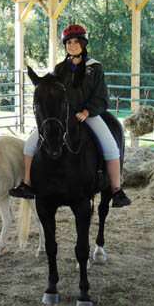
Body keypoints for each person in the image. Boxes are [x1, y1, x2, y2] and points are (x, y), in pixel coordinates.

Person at [9, 24, 132, 208]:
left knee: (111, 147)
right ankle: (27, 184)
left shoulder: (95, 68)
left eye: (76, 42)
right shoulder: (59, 69)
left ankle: (116, 190)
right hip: (62, 117)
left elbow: (101, 97)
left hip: (88, 114)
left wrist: (87, 111)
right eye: (68, 42)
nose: (72, 45)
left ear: (83, 44)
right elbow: (49, 91)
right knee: (29, 145)